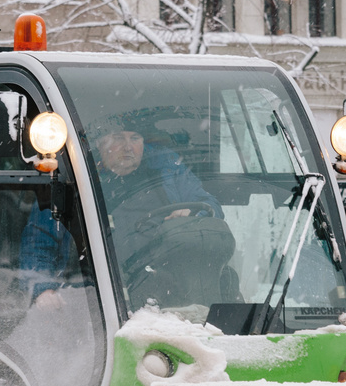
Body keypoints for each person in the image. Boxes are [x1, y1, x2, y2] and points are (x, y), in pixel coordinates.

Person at [22, 113, 231, 309]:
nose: (128, 147)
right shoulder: (74, 179)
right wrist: (43, 289)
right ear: (100, 143)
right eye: (118, 138)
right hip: (95, 293)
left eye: (135, 138)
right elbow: (40, 241)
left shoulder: (168, 171)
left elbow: (210, 207)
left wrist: (192, 213)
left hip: (169, 287)